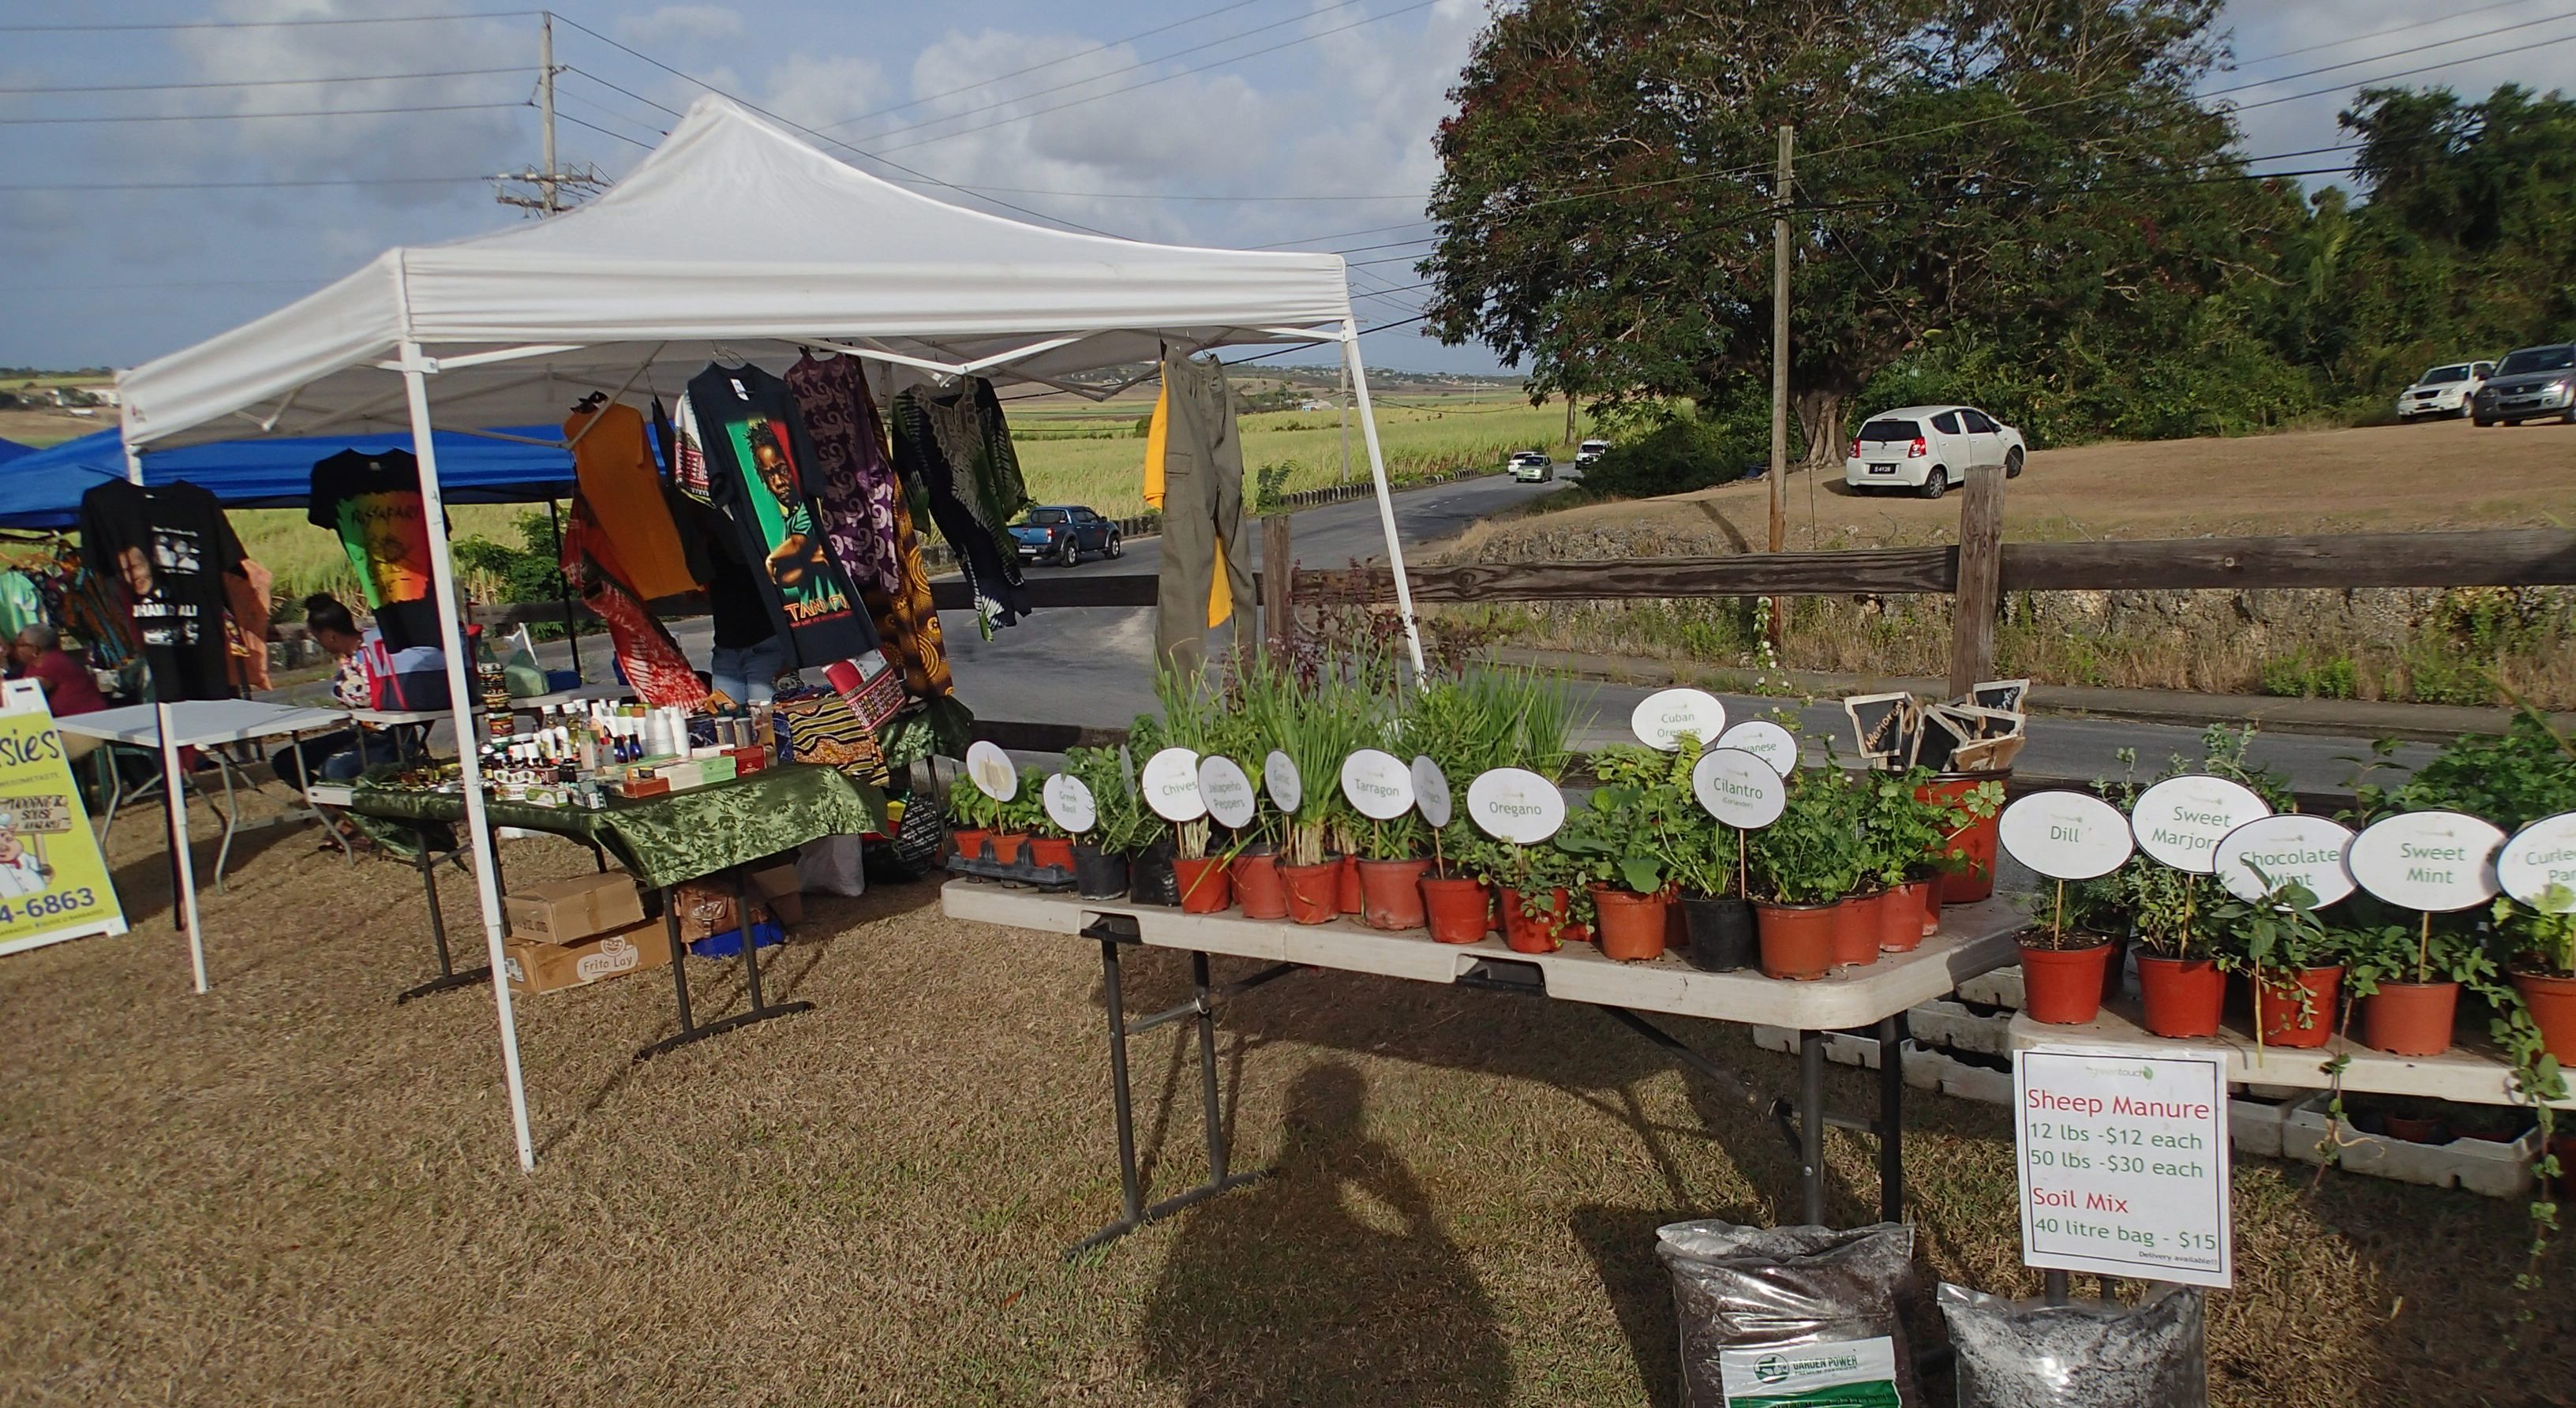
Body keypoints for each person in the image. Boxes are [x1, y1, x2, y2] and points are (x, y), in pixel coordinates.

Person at [273, 594, 404, 792]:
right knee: (286, 761)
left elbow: (364, 696)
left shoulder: (373, 650)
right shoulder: (350, 657)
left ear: (330, 636)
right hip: (359, 731)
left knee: (334, 770)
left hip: (387, 735)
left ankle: (347, 807)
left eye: (318, 639)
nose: (321, 645)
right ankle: (335, 807)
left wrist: (341, 687)